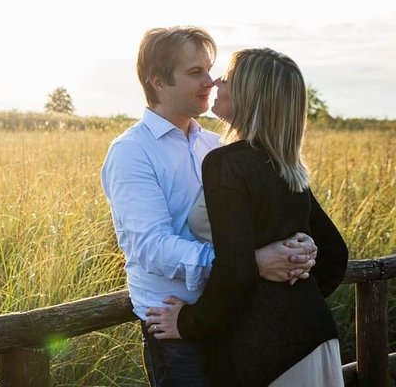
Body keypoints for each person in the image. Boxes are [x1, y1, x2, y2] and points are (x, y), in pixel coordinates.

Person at [101, 26, 318, 386]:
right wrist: (249, 263)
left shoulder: (217, 145)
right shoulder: (132, 152)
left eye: (210, 69)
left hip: (230, 313)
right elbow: (151, 247)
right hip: (174, 325)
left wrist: (301, 245)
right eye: (195, 72)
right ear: (158, 81)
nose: (212, 81)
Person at [144, 48, 349, 386]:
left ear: (249, 95)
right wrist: (293, 294)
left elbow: (235, 271)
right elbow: (335, 256)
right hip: (316, 338)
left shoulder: (227, 163)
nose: (216, 82)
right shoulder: (286, 164)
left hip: (271, 355)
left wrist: (187, 322)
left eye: (227, 77)